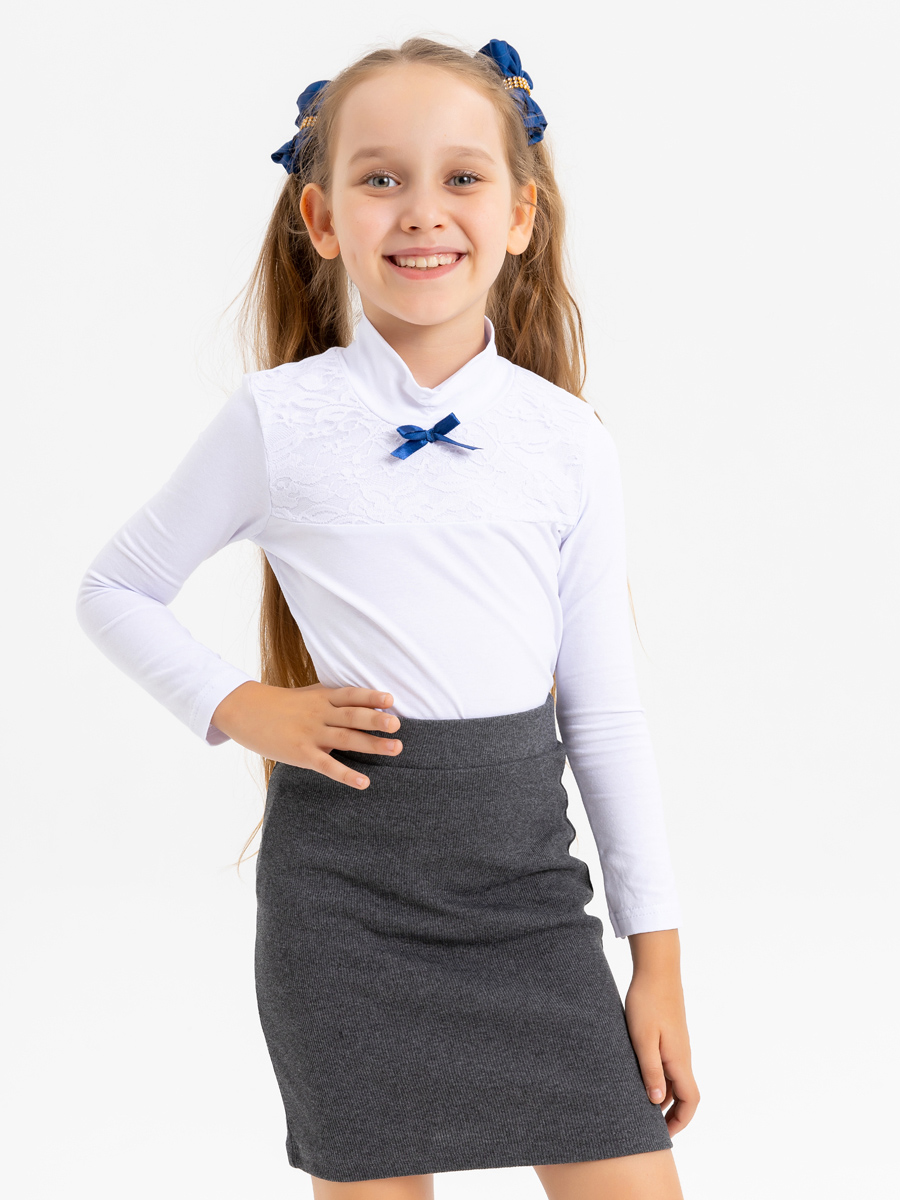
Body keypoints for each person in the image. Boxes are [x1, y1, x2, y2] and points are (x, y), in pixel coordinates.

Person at [75, 34, 700, 1200]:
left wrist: (654, 962)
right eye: (380, 178)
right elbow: (114, 589)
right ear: (322, 218)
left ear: (520, 214)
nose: (422, 211)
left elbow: (605, 713)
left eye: (462, 176)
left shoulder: (566, 441)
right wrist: (241, 706)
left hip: (528, 903)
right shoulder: (278, 421)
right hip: (343, 915)